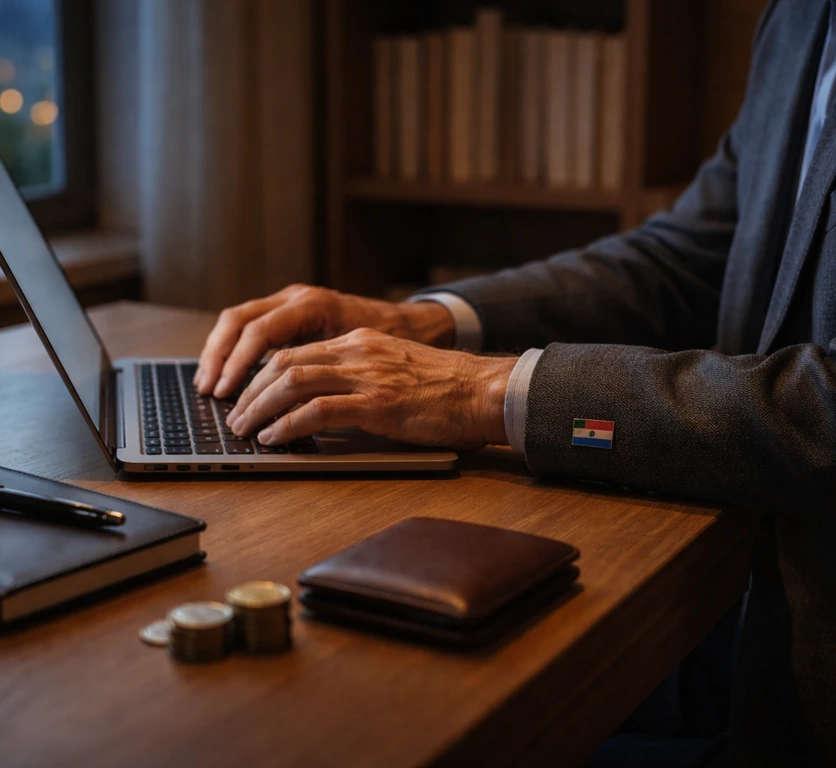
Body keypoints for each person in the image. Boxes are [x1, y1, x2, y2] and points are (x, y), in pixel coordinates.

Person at [196, 1, 835, 765]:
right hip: (737, 622)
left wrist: (484, 393)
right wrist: (430, 321)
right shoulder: (801, 17)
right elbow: (688, 254)